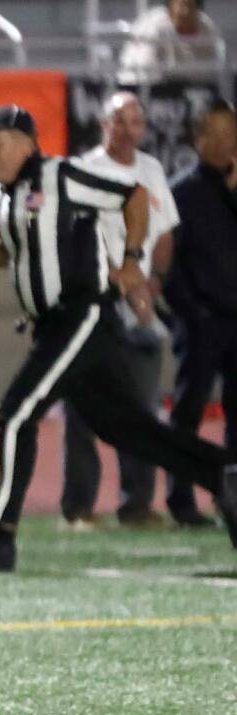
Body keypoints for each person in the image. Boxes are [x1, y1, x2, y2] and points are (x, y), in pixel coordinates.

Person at [0, 104, 237, 572]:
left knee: (18, 412)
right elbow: (19, 251)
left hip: (81, 315)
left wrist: (135, 259)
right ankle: (224, 478)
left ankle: (1, 537)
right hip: (53, 326)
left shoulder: (58, 176)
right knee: (129, 430)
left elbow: (133, 196)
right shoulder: (0, 196)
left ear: (25, 143)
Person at [60, 93, 179, 530]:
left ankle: (137, 504)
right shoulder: (84, 172)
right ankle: (79, 507)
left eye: (135, 122)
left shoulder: (151, 170)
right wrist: (124, 281)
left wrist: (153, 283)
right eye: (119, 121)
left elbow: (164, 235)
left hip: (141, 305)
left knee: (143, 410)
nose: (128, 130)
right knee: (83, 410)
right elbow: (79, 240)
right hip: (95, 302)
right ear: (103, 124)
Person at [162, 100, 237, 527]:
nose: (228, 144)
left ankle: (232, 499)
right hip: (203, 323)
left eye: (234, 135)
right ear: (198, 138)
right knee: (187, 413)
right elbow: (171, 267)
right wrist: (192, 315)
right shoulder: (182, 193)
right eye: (219, 134)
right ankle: (180, 500)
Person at [120, 0, 220, 78]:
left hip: (194, 92)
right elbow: (146, 74)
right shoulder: (155, 29)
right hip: (147, 91)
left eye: (190, 6)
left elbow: (211, 73)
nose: (185, 12)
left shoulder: (206, 28)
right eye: (181, 5)